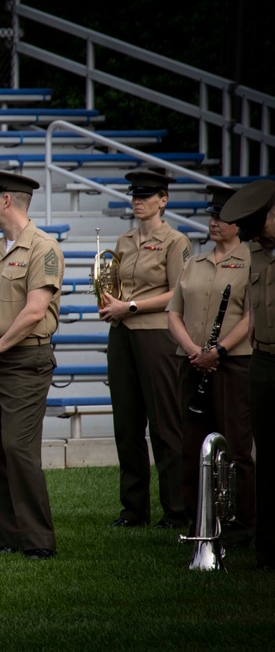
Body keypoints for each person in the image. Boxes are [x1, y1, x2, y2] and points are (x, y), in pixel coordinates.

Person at [0, 170, 63, 559]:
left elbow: (35, 311)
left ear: (7, 201)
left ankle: (38, 540)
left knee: (18, 448)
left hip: (21, 358)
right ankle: (7, 537)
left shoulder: (43, 248)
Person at [98, 170, 191, 530]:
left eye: (147, 195)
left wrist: (131, 307)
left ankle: (176, 509)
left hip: (155, 333)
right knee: (127, 423)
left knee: (165, 424)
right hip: (122, 334)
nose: (138, 200)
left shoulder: (175, 241)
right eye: (135, 194)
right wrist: (110, 302)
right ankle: (133, 509)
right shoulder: (124, 240)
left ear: (163, 200)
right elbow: (118, 286)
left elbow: (177, 292)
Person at [166, 185, 254, 546]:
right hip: (191, 363)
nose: (214, 222)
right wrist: (192, 350)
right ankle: (199, 520)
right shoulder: (194, 262)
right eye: (212, 216)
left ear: (239, 224)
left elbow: (251, 316)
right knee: (192, 445)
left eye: (222, 217)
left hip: (231, 365)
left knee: (235, 445)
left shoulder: (252, 262)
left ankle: (241, 525)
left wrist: (218, 350)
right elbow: (173, 312)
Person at [220, 178, 275, 572]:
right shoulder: (255, 251)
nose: (253, 234)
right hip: (263, 361)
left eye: (259, 224)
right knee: (266, 457)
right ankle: (267, 551)